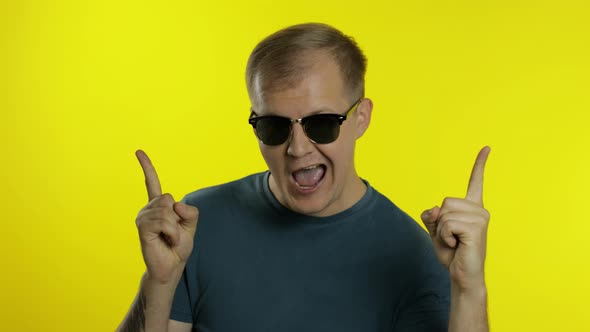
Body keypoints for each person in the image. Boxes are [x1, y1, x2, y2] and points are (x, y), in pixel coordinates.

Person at [117, 23, 491, 332]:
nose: (297, 148)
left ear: (361, 117)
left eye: (322, 123)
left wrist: (470, 289)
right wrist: (160, 284)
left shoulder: (414, 255)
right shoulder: (195, 225)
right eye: (274, 125)